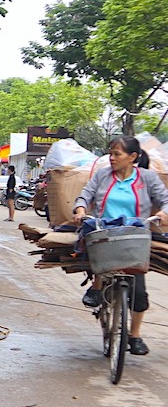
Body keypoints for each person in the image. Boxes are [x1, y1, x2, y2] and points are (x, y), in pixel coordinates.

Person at [72, 136, 168, 356]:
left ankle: (134, 336)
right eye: (111, 153)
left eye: (117, 154)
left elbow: (165, 199)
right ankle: (97, 287)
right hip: (103, 231)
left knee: (139, 293)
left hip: (135, 234)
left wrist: (163, 213)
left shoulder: (147, 178)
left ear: (133, 157)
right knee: (95, 249)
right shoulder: (103, 175)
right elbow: (85, 195)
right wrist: (79, 209)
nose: (112, 158)